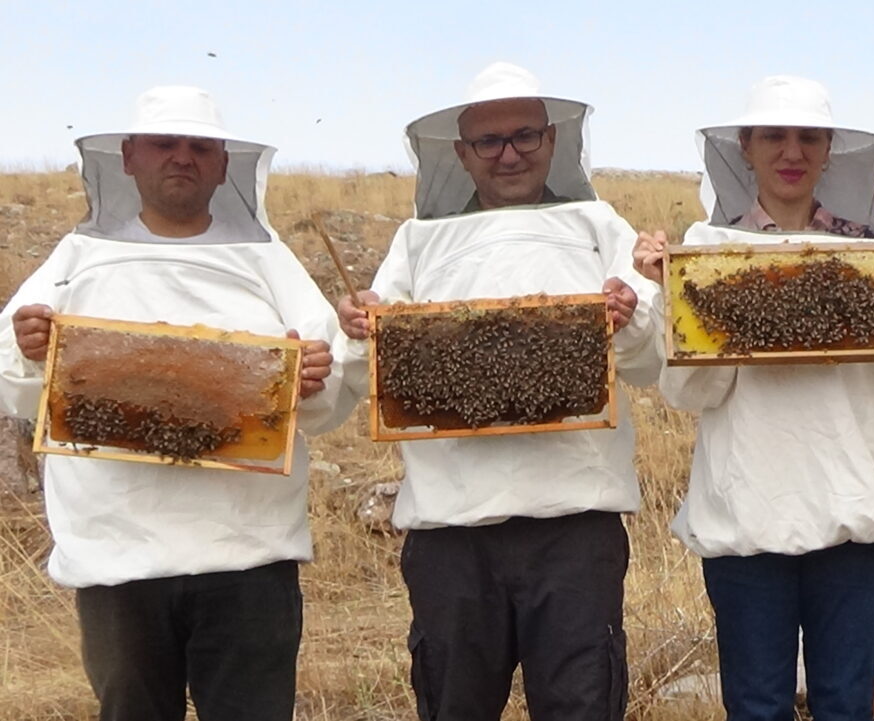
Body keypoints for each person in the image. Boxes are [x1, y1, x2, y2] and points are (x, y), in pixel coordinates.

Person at [332, 62, 662, 721]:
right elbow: (357, 369)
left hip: (574, 525)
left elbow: (652, 361)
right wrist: (359, 327)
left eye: (525, 135)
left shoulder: (601, 225)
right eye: (489, 141)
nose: (509, 153)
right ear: (461, 153)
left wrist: (629, 317)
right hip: (452, 529)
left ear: (552, 141)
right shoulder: (417, 241)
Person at [0, 86, 342, 721]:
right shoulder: (78, 258)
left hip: (248, 554)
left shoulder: (268, 259)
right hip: (116, 554)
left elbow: (331, 392)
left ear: (221, 164)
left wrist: (317, 374)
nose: (182, 158)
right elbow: (13, 381)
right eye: (165, 144)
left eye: (199, 147)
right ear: (129, 157)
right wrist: (30, 346)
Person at [634, 75, 874, 721]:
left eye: (809, 136)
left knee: (847, 705)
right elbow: (688, 390)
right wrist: (679, 297)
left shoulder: (870, 253)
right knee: (757, 707)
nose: (791, 151)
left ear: (830, 149)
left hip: (856, 510)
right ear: (746, 146)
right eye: (774, 135)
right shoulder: (708, 252)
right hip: (747, 514)